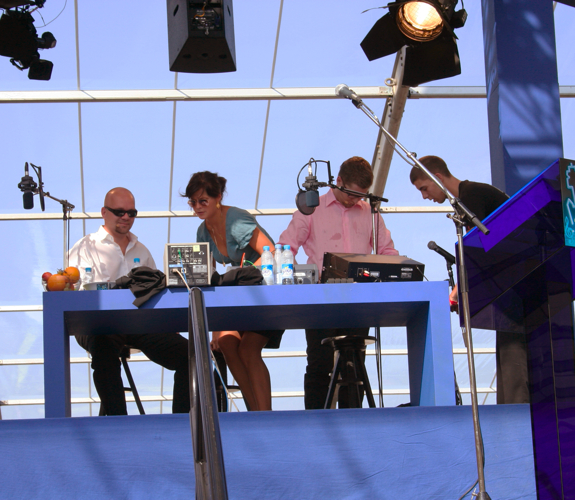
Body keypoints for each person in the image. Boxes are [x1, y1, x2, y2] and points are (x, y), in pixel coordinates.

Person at [278, 156, 400, 410]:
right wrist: (298, 280)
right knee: (319, 364)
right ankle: (316, 424)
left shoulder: (371, 213)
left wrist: (393, 271)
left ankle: (353, 423)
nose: (355, 200)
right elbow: (285, 247)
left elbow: (387, 251)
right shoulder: (312, 208)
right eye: (351, 194)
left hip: (359, 298)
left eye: (360, 195)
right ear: (339, 181)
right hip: (319, 298)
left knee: (354, 365)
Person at [410, 155, 528, 404]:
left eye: (424, 188)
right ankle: (511, 411)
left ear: (437, 178)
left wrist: (456, 291)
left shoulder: (471, 196)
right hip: (512, 286)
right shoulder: (471, 195)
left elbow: (476, 253)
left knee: (514, 358)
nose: (424, 196)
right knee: (509, 356)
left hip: (518, 286)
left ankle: (516, 415)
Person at [68, 187, 190, 415]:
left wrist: (168, 324)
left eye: (131, 213)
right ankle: (118, 423)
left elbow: (157, 291)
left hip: (139, 324)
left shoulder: (142, 250)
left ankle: (181, 424)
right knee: (103, 345)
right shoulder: (85, 246)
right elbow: (72, 290)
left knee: (191, 356)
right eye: (119, 212)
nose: (126, 217)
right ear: (104, 212)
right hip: (97, 325)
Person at [181, 171, 283, 411]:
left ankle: (265, 415)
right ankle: (254, 412)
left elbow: (270, 253)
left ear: (218, 198)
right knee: (226, 342)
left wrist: (242, 276)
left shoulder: (236, 219)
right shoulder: (202, 231)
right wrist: (215, 328)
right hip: (240, 296)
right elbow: (208, 280)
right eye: (193, 202)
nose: (197, 207)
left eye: (203, 201)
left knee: (248, 349)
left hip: (266, 292)